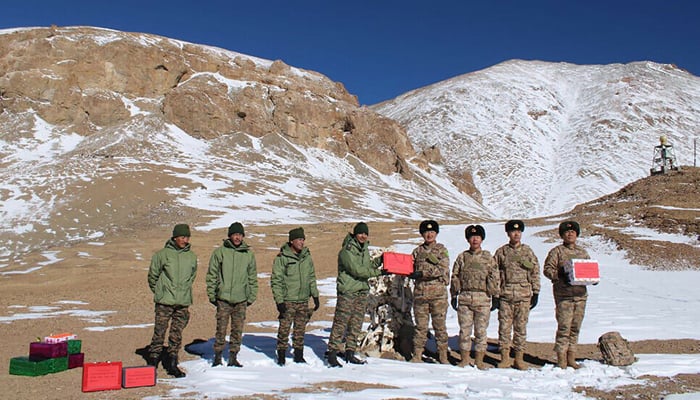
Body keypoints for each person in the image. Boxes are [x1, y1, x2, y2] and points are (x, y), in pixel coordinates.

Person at [326, 222, 385, 367]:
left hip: (361, 291)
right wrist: (379, 272)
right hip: (348, 291)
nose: (363, 236)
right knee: (341, 323)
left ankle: (350, 352)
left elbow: (367, 267)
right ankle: (332, 352)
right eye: (360, 233)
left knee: (356, 324)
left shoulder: (364, 250)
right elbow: (357, 270)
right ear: (355, 234)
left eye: (365, 234)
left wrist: (381, 261)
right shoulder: (347, 251)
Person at [147, 223, 198, 378]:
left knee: (176, 334)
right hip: (165, 301)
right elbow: (152, 276)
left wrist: (184, 291)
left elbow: (192, 276)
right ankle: (153, 361)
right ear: (175, 237)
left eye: (187, 237)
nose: (185, 240)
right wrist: (160, 292)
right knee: (159, 331)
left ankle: (172, 362)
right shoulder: (162, 255)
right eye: (182, 237)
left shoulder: (191, 256)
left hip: (182, 301)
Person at [206, 222, 258, 368]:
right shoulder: (220, 252)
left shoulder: (248, 254)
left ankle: (233, 356)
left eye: (240, 235)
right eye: (235, 235)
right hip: (223, 298)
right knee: (221, 328)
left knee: (237, 329)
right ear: (230, 236)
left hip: (241, 299)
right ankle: (217, 356)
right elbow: (212, 275)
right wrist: (212, 294)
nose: (237, 238)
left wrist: (252, 295)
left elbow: (252, 276)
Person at [450, 224, 500, 369]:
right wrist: (454, 295)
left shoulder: (488, 258)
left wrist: (495, 296)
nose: (475, 240)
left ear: (482, 239)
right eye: (472, 237)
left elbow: (494, 276)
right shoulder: (462, 257)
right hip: (465, 298)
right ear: (468, 239)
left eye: (477, 237)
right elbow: (455, 276)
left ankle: (479, 361)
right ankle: (464, 359)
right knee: (465, 331)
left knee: (481, 332)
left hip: (483, 299)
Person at [493, 219, 540, 370]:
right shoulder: (501, 252)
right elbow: (494, 274)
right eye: (513, 231)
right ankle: (505, 358)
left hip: (524, 296)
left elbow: (535, 271)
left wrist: (536, 291)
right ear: (508, 233)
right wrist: (495, 294)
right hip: (505, 296)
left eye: (519, 231)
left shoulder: (528, 251)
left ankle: (519, 358)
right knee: (504, 328)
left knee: (521, 328)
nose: (516, 234)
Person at [543, 220, 591, 369]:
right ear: (562, 235)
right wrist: (560, 274)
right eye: (567, 232)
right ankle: (561, 359)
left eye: (573, 232)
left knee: (575, 327)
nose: (570, 234)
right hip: (564, 296)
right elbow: (547, 269)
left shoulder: (582, 252)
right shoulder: (556, 252)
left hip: (580, 295)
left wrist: (592, 278)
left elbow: (589, 268)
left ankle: (572, 357)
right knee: (564, 327)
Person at [271, 227, 320, 366]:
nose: (301, 242)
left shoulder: (306, 257)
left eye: (303, 239)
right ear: (291, 240)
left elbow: (311, 277)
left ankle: (299, 355)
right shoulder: (282, 258)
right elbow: (276, 280)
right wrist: (279, 301)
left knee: (300, 329)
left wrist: (315, 295)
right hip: (288, 300)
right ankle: (281, 355)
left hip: (303, 299)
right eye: (299, 239)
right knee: (284, 329)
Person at [409, 220, 450, 364]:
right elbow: (409, 268)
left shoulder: (441, 250)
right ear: (422, 234)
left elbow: (443, 269)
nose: (429, 234)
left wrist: (422, 274)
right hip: (420, 296)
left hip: (438, 296)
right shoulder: (417, 252)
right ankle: (418, 355)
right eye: (426, 232)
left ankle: (443, 356)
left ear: (436, 233)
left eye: (432, 232)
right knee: (420, 327)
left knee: (440, 327)